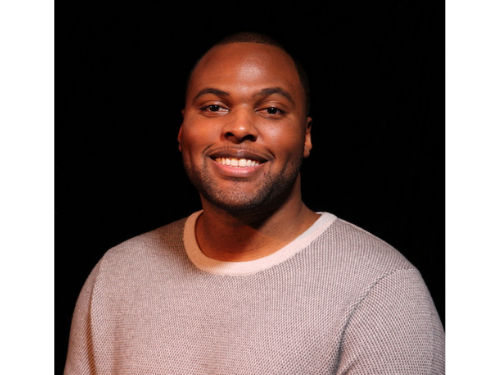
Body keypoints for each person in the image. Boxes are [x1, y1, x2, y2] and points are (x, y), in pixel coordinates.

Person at [65, 32, 445, 374]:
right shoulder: (116, 274)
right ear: (182, 131)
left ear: (306, 136)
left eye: (272, 110)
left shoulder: (383, 291)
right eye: (214, 107)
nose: (240, 127)